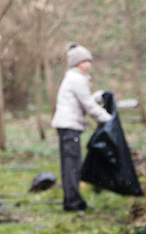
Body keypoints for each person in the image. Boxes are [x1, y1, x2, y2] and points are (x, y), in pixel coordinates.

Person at [51, 42, 112, 211]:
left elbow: (85, 101)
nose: (88, 65)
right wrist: (109, 119)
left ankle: (71, 200)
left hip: (67, 127)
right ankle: (73, 202)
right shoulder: (76, 79)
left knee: (70, 164)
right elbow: (88, 106)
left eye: (89, 61)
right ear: (76, 63)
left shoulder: (74, 78)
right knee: (72, 165)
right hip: (69, 127)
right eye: (84, 61)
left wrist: (98, 97)